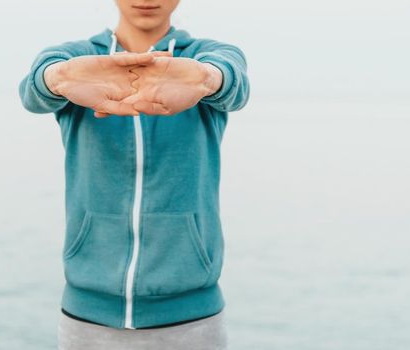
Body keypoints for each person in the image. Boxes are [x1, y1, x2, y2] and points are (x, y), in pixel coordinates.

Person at [18, 1, 249, 348]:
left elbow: (232, 80)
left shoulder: (206, 56)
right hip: (88, 317)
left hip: (192, 319)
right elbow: (36, 88)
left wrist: (204, 79)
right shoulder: (77, 59)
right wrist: (60, 78)